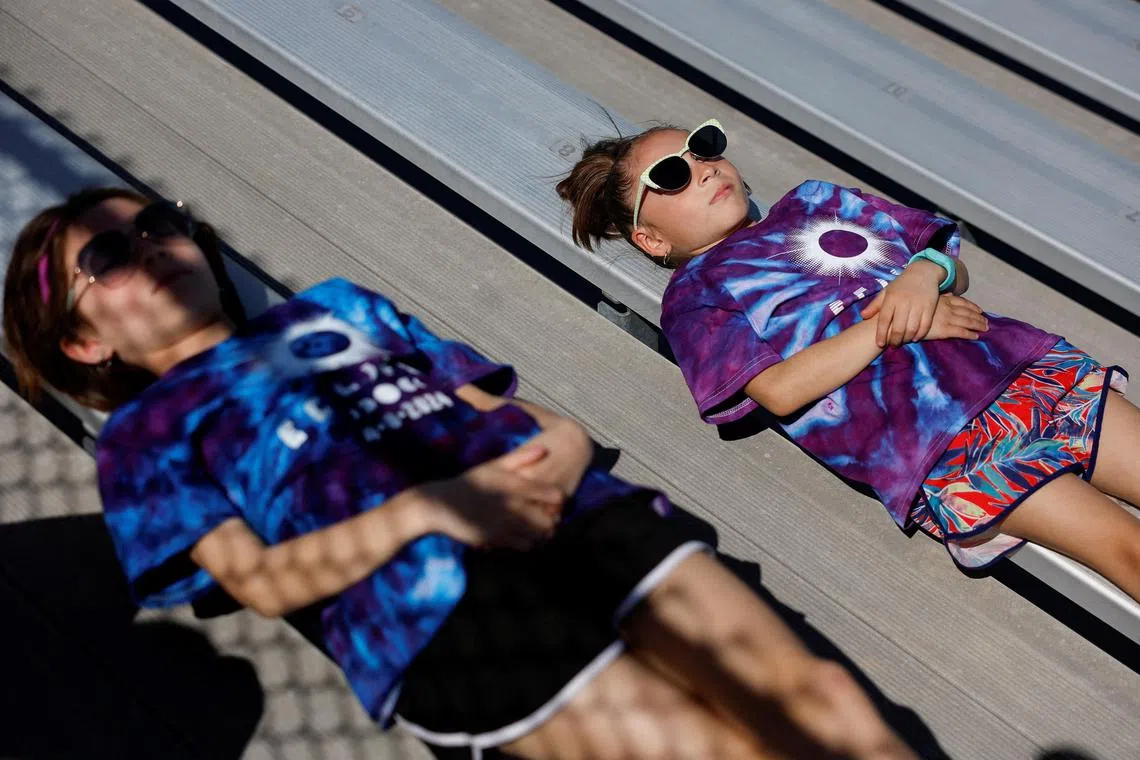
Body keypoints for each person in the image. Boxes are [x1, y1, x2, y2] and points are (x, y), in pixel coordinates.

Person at [2, 187, 915, 760]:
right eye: (108, 256)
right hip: (439, 618)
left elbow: (530, 423)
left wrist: (556, 457)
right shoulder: (143, 437)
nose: (152, 243)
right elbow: (260, 580)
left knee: (822, 703)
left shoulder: (335, 307)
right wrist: (434, 511)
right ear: (83, 339)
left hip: (577, 520)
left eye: (158, 221)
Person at [557, 119, 1140, 602]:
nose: (704, 167)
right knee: (1127, 550)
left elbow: (947, 257)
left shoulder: (817, 199)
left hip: (1024, 371)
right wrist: (893, 328)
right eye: (673, 175)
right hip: (946, 448)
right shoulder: (696, 296)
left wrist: (921, 276)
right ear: (651, 240)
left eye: (704, 147)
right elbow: (779, 390)